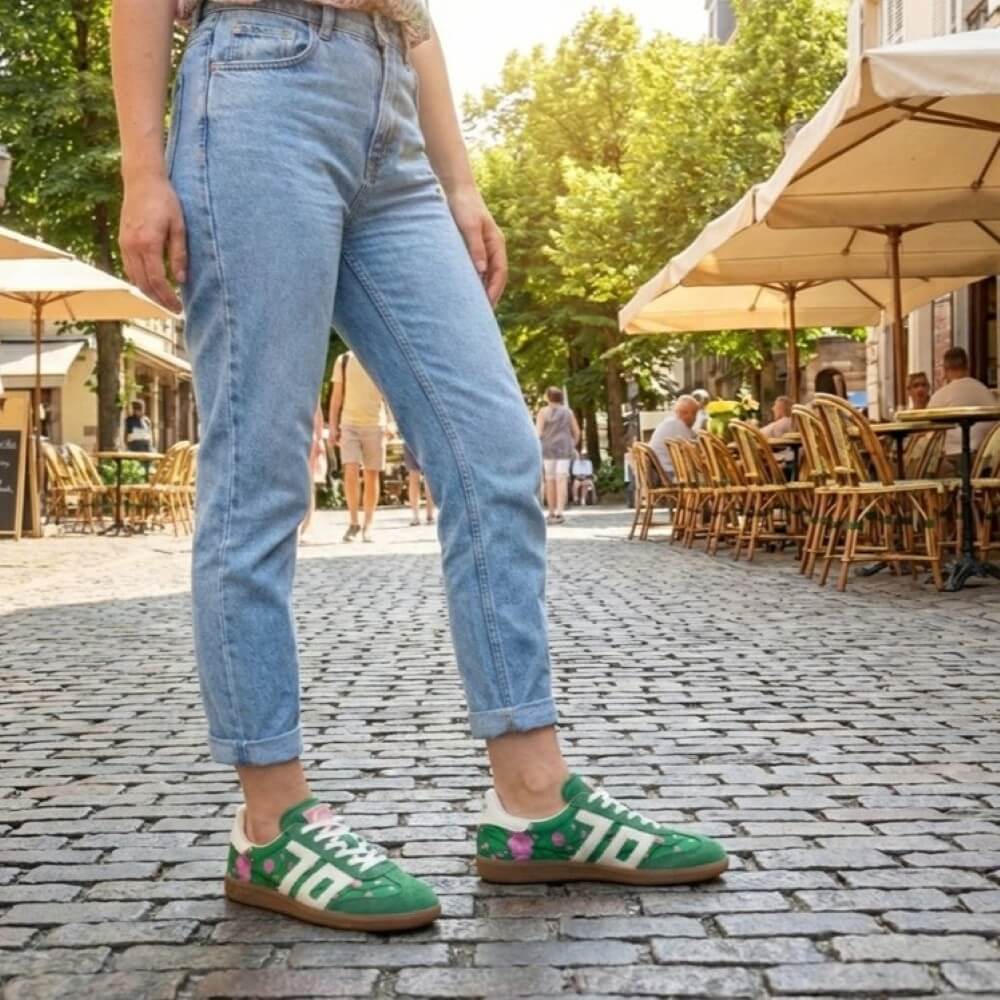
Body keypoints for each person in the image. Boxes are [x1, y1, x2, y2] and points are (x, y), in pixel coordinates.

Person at [113, 0, 727, 935]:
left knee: (496, 452)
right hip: (254, 83)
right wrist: (143, 165)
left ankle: (535, 805)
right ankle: (271, 821)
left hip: (390, 109)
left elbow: (417, 12)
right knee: (260, 471)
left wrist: (462, 181)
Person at [329, 351, 386, 543]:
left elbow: (390, 394)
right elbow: (336, 398)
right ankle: (353, 522)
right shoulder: (343, 360)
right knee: (350, 469)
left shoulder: (379, 357)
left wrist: (392, 423)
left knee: (372, 474)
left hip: (375, 424)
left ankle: (368, 524)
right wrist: (333, 427)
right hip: (349, 424)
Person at [928, 347, 998, 460]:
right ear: (967, 366)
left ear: (945, 369)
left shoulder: (942, 395)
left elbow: (928, 429)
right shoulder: (984, 390)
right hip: (987, 457)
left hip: (954, 457)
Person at [536, 387, 580, 524]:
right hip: (564, 449)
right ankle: (560, 511)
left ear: (548, 397)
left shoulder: (542, 412)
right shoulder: (568, 412)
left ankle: (551, 511)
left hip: (548, 449)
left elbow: (538, 433)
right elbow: (576, 432)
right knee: (561, 479)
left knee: (549, 480)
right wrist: (572, 445)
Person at [649, 395, 699, 480]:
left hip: (656, 472)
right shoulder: (679, 425)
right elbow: (695, 456)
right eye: (694, 413)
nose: (695, 418)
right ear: (685, 413)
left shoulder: (670, 422)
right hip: (667, 474)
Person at [300, 404, 326, 540]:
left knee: (307, 482)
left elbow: (316, 407)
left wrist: (320, 437)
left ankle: (308, 525)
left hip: (308, 434)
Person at [404, 443, 435, 526]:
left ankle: (419, 516)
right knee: (426, 476)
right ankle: (428, 515)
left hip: (413, 438)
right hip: (425, 439)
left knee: (417, 476)